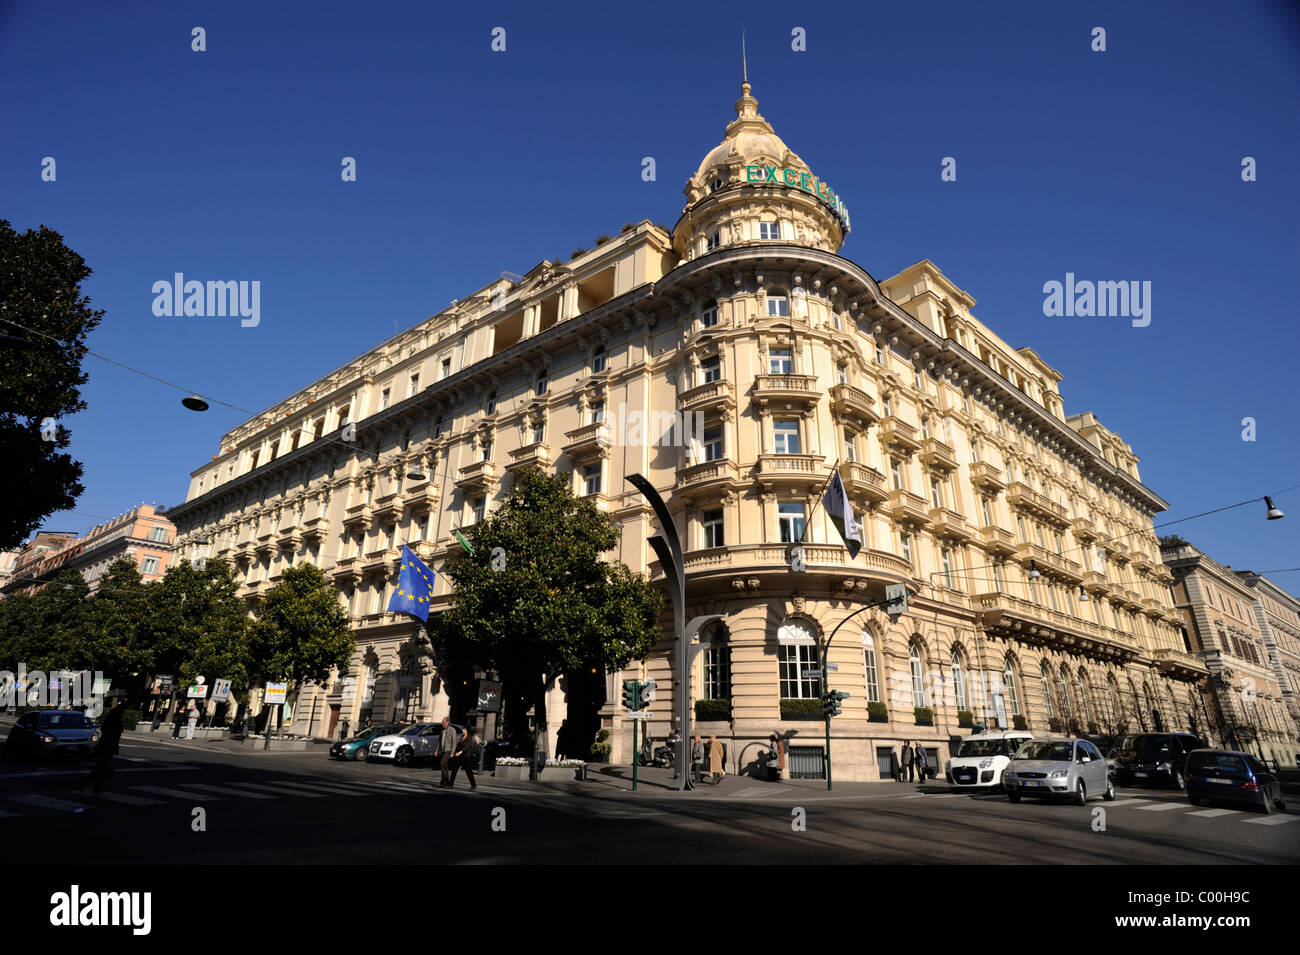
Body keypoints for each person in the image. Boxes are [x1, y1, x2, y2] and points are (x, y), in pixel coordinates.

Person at [80, 700, 125, 793]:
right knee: (102, 768)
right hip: (107, 748)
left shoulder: (109, 723)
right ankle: (86, 782)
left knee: (101, 768)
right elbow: (112, 738)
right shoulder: (115, 724)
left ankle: (96, 785)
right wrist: (114, 748)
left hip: (104, 747)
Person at [437, 716, 458, 788]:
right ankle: (443, 782)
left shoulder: (452, 730)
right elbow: (439, 742)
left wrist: (452, 752)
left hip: (448, 750)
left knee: (443, 763)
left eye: (443, 722)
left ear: (447, 722)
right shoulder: (442, 731)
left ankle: (447, 782)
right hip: (442, 750)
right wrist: (436, 750)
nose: (442, 723)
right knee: (443, 766)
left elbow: (454, 742)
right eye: (442, 722)